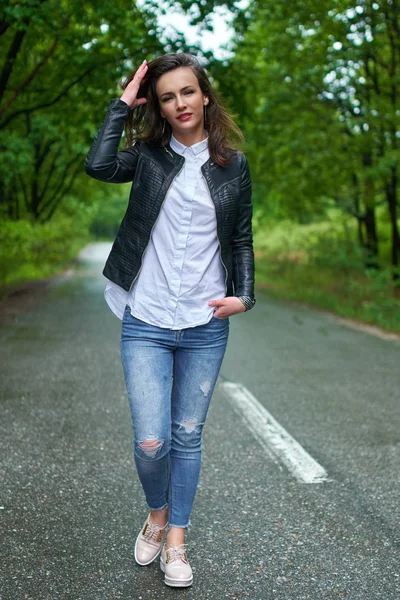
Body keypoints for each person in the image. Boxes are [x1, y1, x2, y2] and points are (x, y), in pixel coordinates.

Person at [84, 53, 255, 588]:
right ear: (157, 106)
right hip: (148, 316)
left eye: (187, 92)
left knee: (187, 435)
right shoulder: (149, 157)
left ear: (204, 95)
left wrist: (244, 296)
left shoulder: (233, 165)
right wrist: (123, 101)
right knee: (151, 442)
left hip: (205, 321)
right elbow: (97, 165)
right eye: (166, 96)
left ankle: (176, 540)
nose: (179, 103)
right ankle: (155, 514)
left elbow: (242, 236)